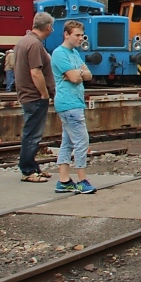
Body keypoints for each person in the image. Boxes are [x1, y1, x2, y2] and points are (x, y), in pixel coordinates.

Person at [51, 21, 96, 194]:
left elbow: (88, 75)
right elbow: (75, 78)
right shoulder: (59, 53)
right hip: (68, 104)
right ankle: (82, 180)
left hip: (74, 102)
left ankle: (63, 180)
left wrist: (80, 73)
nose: (80, 38)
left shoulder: (75, 53)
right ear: (66, 34)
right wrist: (79, 73)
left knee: (68, 142)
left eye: (81, 35)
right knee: (81, 141)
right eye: (77, 35)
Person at [14, 13, 55, 183]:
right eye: (52, 27)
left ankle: (33, 166)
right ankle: (28, 170)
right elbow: (36, 72)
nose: (52, 30)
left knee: (31, 133)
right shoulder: (34, 44)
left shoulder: (23, 41)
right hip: (34, 96)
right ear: (48, 27)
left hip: (27, 94)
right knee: (32, 134)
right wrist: (44, 93)